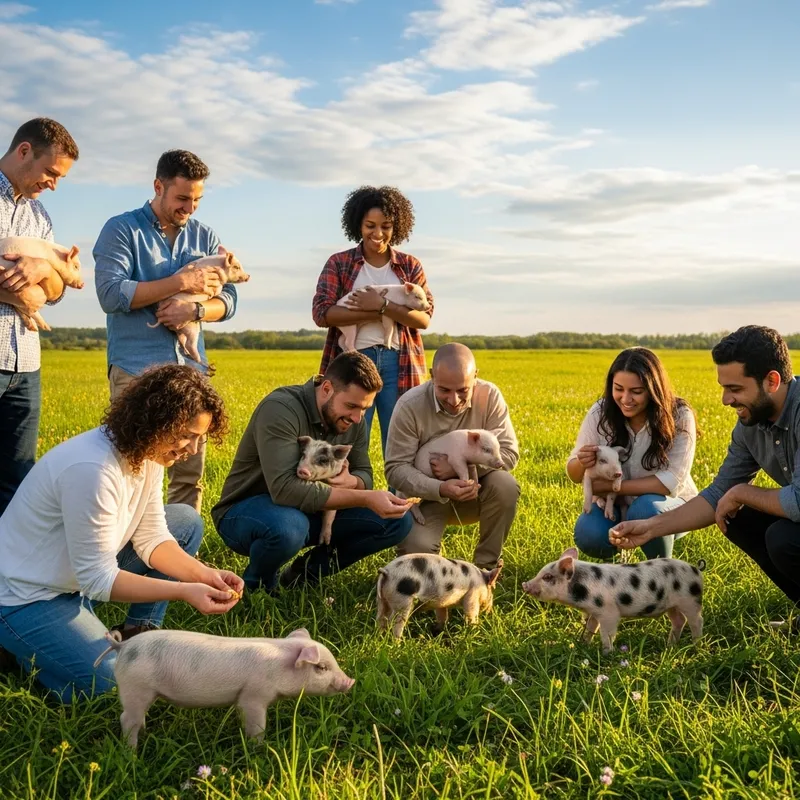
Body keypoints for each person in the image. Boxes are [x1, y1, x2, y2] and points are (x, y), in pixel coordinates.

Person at [0, 365, 244, 701]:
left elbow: (152, 537)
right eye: (187, 434)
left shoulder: (147, 455)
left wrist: (205, 575)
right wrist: (185, 591)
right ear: (157, 420)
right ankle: (20, 648)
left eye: (199, 438)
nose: (192, 448)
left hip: (74, 579)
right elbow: (97, 580)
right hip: (24, 595)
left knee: (183, 521)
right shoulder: (92, 469)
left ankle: (135, 632)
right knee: (118, 686)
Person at [610, 326, 800, 628]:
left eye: (736, 389)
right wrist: (650, 527)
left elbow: (798, 503)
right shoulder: (750, 426)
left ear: (772, 381)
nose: (726, 400)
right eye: (724, 388)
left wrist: (740, 493)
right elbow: (718, 494)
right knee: (736, 515)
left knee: (782, 536)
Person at [94, 149, 240, 513]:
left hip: (192, 372)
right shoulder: (122, 229)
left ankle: (180, 554)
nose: (190, 207)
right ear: (158, 186)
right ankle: (128, 557)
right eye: (182, 198)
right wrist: (179, 281)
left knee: (189, 474)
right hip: (136, 369)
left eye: (197, 200)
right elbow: (111, 295)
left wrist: (195, 309)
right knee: (131, 470)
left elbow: (230, 299)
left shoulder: (204, 236)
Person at [212, 351, 413, 593]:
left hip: (312, 512)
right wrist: (365, 497)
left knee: (396, 522)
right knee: (290, 526)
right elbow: (285, 490)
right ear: (327, 388)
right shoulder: (281, 408)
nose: (358, 418)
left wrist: (353, 481)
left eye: (365, 408)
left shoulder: (353, 421)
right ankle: (255, 587)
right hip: (250, 511)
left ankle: (304, 575)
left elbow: (365, 473)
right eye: (351, 406)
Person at [311, 185, 434, 455]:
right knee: (348, 443)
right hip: (353, 361)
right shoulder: (340, 263)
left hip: (399, 362)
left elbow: (423, 319)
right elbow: (322, 313)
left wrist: (382, 306)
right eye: (370, 225)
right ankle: (352, 497)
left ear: (397, 227)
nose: (378, 234)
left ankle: (401, 498)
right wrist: (376, 310)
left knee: (403, 444)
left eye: (386, 226)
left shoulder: (410, 266)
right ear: (358, 224)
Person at [0, 117, 80, 517]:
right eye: (51, 172)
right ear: (24, 151)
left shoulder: (41, 217)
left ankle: (8, 577)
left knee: (16, 481)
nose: (54, 183)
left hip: (24, 364)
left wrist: (39, 269)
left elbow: (56, 293)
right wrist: (27, 287)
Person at [384, 343, 519, 569]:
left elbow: (509, 454)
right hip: (426, 497)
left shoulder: (490, 396)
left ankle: (485, 570)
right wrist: (440, 487)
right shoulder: (410, 405)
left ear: (475, 377)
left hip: (474, 491)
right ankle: (432, 585)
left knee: (505, 485)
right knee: (417, 560)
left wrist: (459, 466)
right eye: (444, 390)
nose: (454, 400)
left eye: (463, 391)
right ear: (432, 377)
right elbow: (396, 469)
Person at [568, 347, 698, 560]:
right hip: (616, 505)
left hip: (667, 506)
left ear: (654, 390)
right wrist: (582, 462)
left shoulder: (679, 415)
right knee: (589, 532)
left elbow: (670, 482)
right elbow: (574, 474)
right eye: (618, 388)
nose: (625, 399)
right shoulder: (601, 412)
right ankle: (619, 573)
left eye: (636, 392)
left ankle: (661, 569)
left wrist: (610, 486)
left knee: (645, 508)